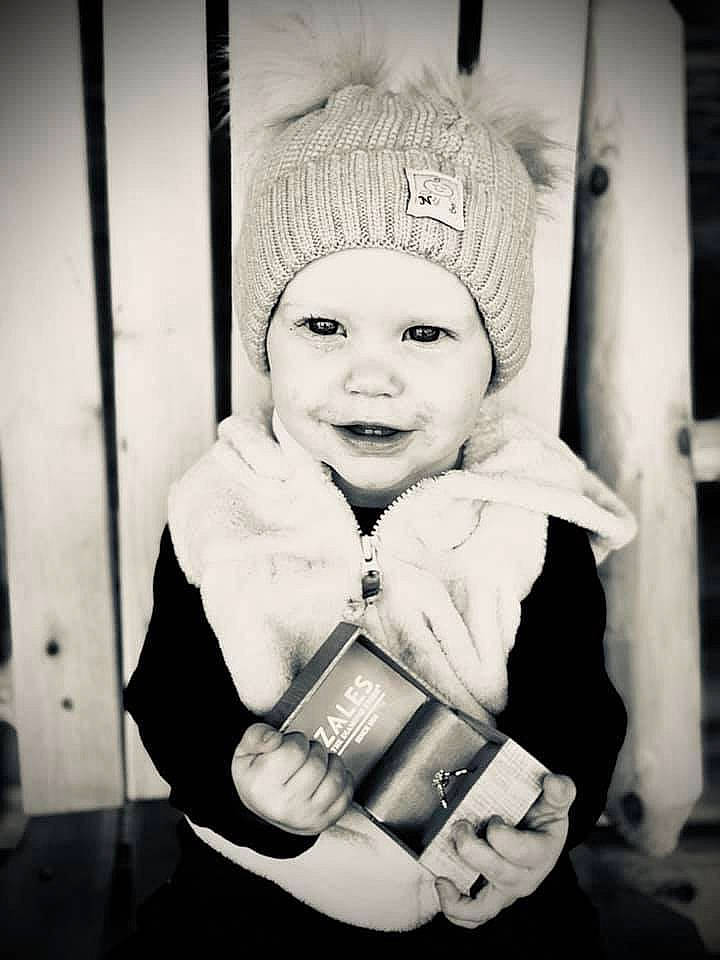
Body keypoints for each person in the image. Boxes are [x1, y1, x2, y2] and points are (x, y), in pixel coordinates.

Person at [114, 22, 636, 957]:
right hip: (265, 883)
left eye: (425, 336)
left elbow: (575, 703)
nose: (371, 376)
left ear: (492, 363)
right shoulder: (221, 507)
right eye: (323, 325)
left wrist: (545, 822)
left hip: (465, 885)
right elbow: (170, 691)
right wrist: (246, 788)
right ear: (265, 342)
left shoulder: (525, 518)